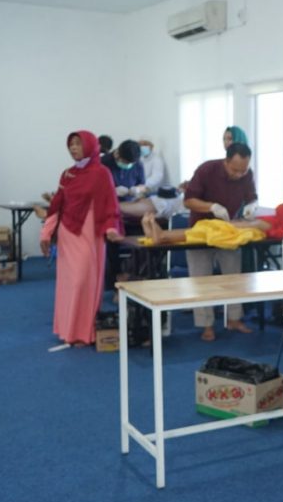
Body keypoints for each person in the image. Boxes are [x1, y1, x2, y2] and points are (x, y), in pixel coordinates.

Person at [39, 130, 123, 347]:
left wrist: (111, 228)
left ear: (90, 145)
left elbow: (110, 204)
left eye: (78, 144)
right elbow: (57, 204)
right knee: (69, 284)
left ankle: (84, 332)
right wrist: (46, 232)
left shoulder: (101, 173)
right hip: (68, 234)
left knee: (84, 281)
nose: (73, 148)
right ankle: (68, 330)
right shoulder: (68, 174)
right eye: (71, 145)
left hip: (90, 234)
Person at [183, 142, 258, 340]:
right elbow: (188, 200)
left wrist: (251, 205)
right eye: (235, 170)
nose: (239, 175)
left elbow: (251, 197)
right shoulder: (207, 170)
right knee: (202, 280)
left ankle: (234, 318)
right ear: (226, 161)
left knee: (233, 277)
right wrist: (211, 207)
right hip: (201, 231)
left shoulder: (246, 174)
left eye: (243, 170)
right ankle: (206, 324)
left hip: (228, 230)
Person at [139, 210, 269, 246]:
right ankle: (155, 230)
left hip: (217, 228)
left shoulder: (258, 225)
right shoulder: (258, 224)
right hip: (217, 227)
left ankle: (153, 228)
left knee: (189, 233)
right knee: (191, 232)